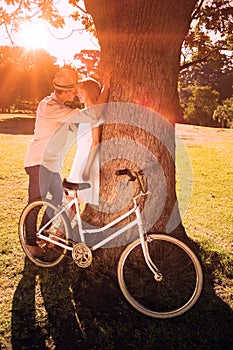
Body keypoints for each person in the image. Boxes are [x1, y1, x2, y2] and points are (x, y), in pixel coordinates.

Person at [24, 68, 111, 256]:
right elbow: (93, 115)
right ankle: (31, 242)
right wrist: (106, 88)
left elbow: (88, 122)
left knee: (57, 199)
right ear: (63, 91)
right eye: (72, 90)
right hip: (39, 161)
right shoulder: (52, 107)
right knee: (36, 202)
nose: (75, 93)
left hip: (51, 164)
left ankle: (44, 234)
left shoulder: (59, 108)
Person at [69, 78, 102, 206]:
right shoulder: (86, 112)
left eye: (80, 91)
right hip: (80, 156)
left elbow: (95, 142)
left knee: (74, 196)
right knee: (72, 196)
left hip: (87, 160)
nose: (78, 94)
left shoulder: (93, 112)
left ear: (89, 92)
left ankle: (63, 226)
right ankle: (64, 226)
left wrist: (87, 167)